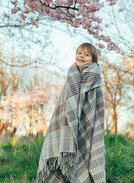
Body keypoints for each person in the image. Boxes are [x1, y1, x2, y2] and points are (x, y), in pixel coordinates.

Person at [35, 43, 106, 183]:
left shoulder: (95, 78)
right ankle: (64, 179)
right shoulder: (71, 75)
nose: (81, 56)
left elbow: (97, 105)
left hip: (87, 123)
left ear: (93, 60)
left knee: (85, 152)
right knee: (65, 154)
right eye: (79, 53)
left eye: (86, 55)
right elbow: (62, 105)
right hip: (67, 123)